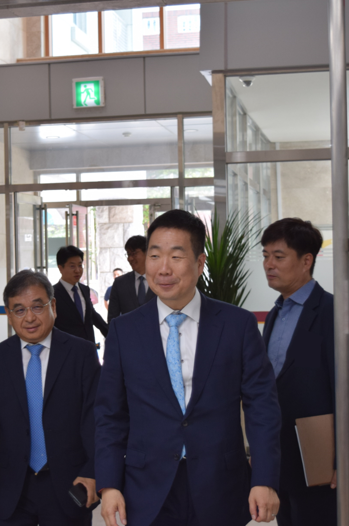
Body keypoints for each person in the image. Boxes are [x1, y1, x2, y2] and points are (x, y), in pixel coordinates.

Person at [95, 210, 282, 526]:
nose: (163, 268)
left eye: (176, 256)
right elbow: (110, 415)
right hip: (146, 488)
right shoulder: (123, 331)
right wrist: (109, 484)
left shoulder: (237, 325)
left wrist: (264, 478)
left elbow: (262, 406)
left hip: (220, 485)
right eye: (155, 256)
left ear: (199, 262)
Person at [0, 270, 101, 526]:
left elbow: (95, 418)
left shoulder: (81, 354)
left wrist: (92, 470)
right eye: (19, 310)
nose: (29, 317)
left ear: (53, 306)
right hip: (13, 485)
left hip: (69, 483)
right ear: (8, 314)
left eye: (37, 307)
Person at [260, 218, 349, 526]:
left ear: (306, 261)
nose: (269, 264)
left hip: (319, 454)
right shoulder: (275, 314)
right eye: (265, 255)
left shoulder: (334, 313)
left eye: (279, 256)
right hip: (281, 455)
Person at [53, 246, 109, 343]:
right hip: (67, 348)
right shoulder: (52, 294)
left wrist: (112, 335)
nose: (78, 270)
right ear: (60, 268)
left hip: (89, 346)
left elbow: (93, 316)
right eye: (72, 266)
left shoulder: (85, 289)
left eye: (80, 265)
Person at [107, 236, 155, 324]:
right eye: (128, 254)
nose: (130, 258)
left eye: (134, 253)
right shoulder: (120, 283)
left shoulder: (161, 280)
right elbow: (112, 319)